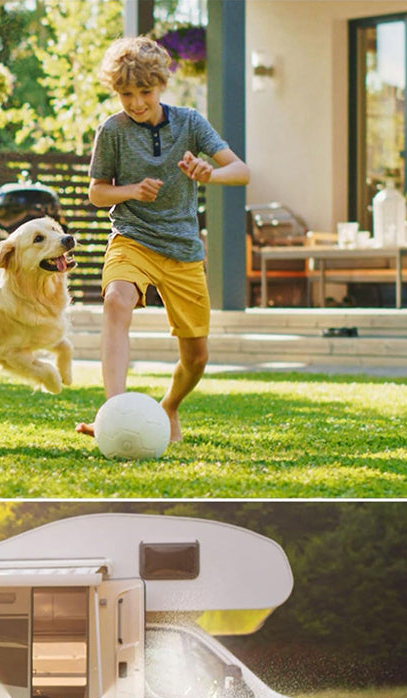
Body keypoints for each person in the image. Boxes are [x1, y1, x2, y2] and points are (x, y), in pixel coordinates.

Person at [74, 35, 250, 444]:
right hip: (132, 236)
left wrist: (211, 173)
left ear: (162, 85)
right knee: (117, 300)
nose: (135, 103)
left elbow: (240, 171)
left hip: (182, 247)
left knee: (197, 357)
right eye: (126, 94)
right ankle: (114, 414)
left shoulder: (189, 122)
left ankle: (169, 406)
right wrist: (131, 190)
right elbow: (97, 192)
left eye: (145, 92)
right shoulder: (112, 130)